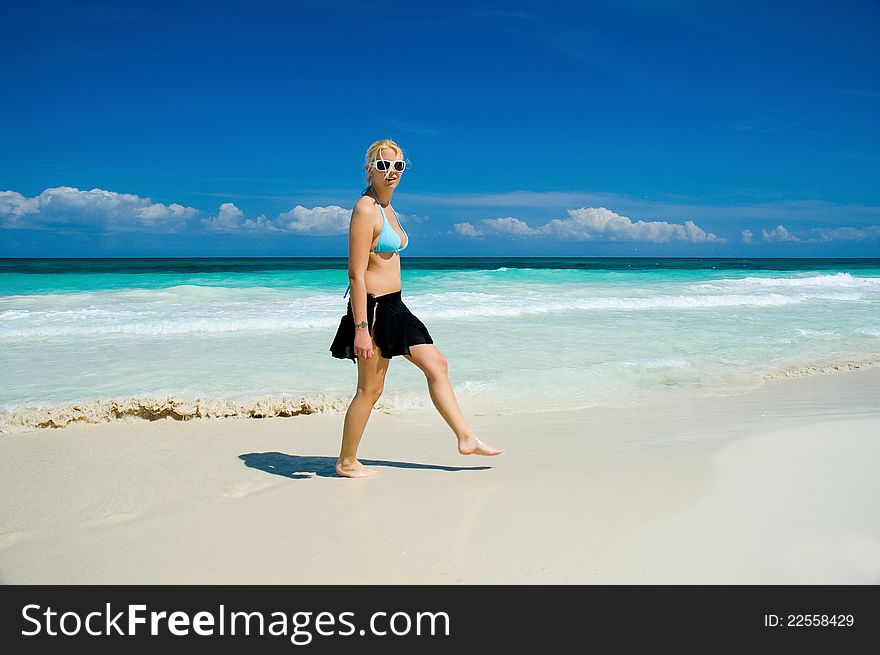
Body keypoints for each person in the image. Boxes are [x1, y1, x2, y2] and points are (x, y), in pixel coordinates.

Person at [329, 139, 502, 478]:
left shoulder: (388, 206)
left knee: (437, 363)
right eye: (382, 165)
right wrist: (361, 329)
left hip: (396, 306)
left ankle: (466, 437)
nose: (390, 172)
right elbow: (356, 273)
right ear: (369, 169)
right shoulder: (366, 209)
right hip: (374, 310)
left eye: (397, 166)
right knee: (370, 390)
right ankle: (347, 461)